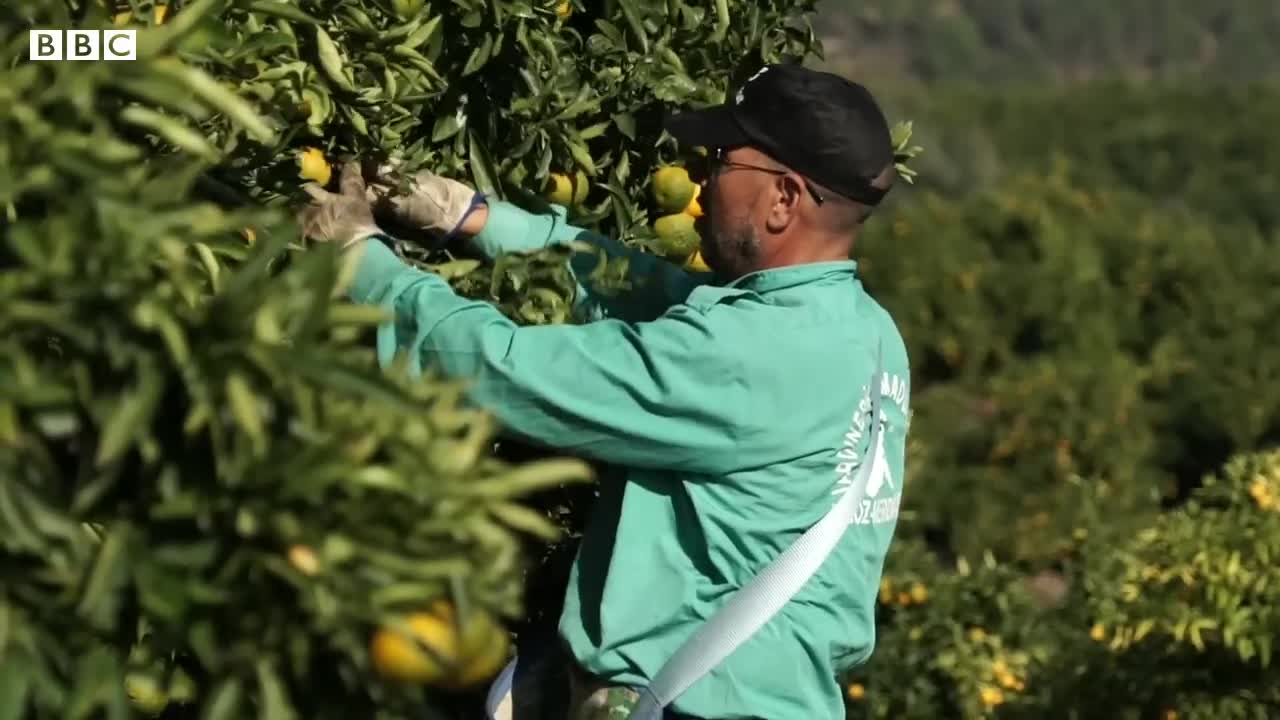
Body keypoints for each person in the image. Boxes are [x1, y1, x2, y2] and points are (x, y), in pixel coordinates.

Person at [299, 63, 913, 720]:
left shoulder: (742, 358)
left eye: (720, 162)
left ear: (784, 198)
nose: (701, 190)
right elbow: (655, 291)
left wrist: (366, 268)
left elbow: (501, 371)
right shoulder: (864, 335)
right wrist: (476, 221)